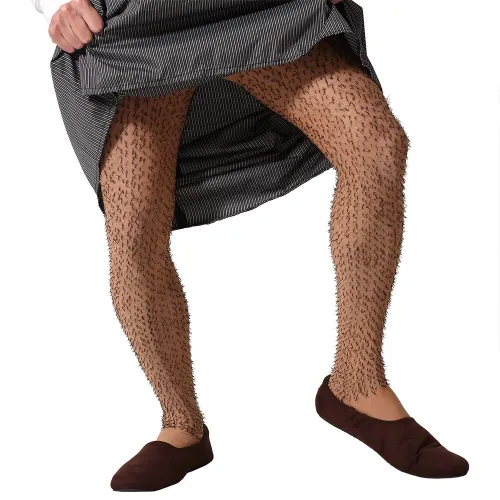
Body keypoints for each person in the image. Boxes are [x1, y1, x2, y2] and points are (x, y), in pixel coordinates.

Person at [31, 0, 469, 491]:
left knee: (375, 146)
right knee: (133, 225)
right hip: (132, 27)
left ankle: (358, 383)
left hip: (258, 9)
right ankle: (181, 426)